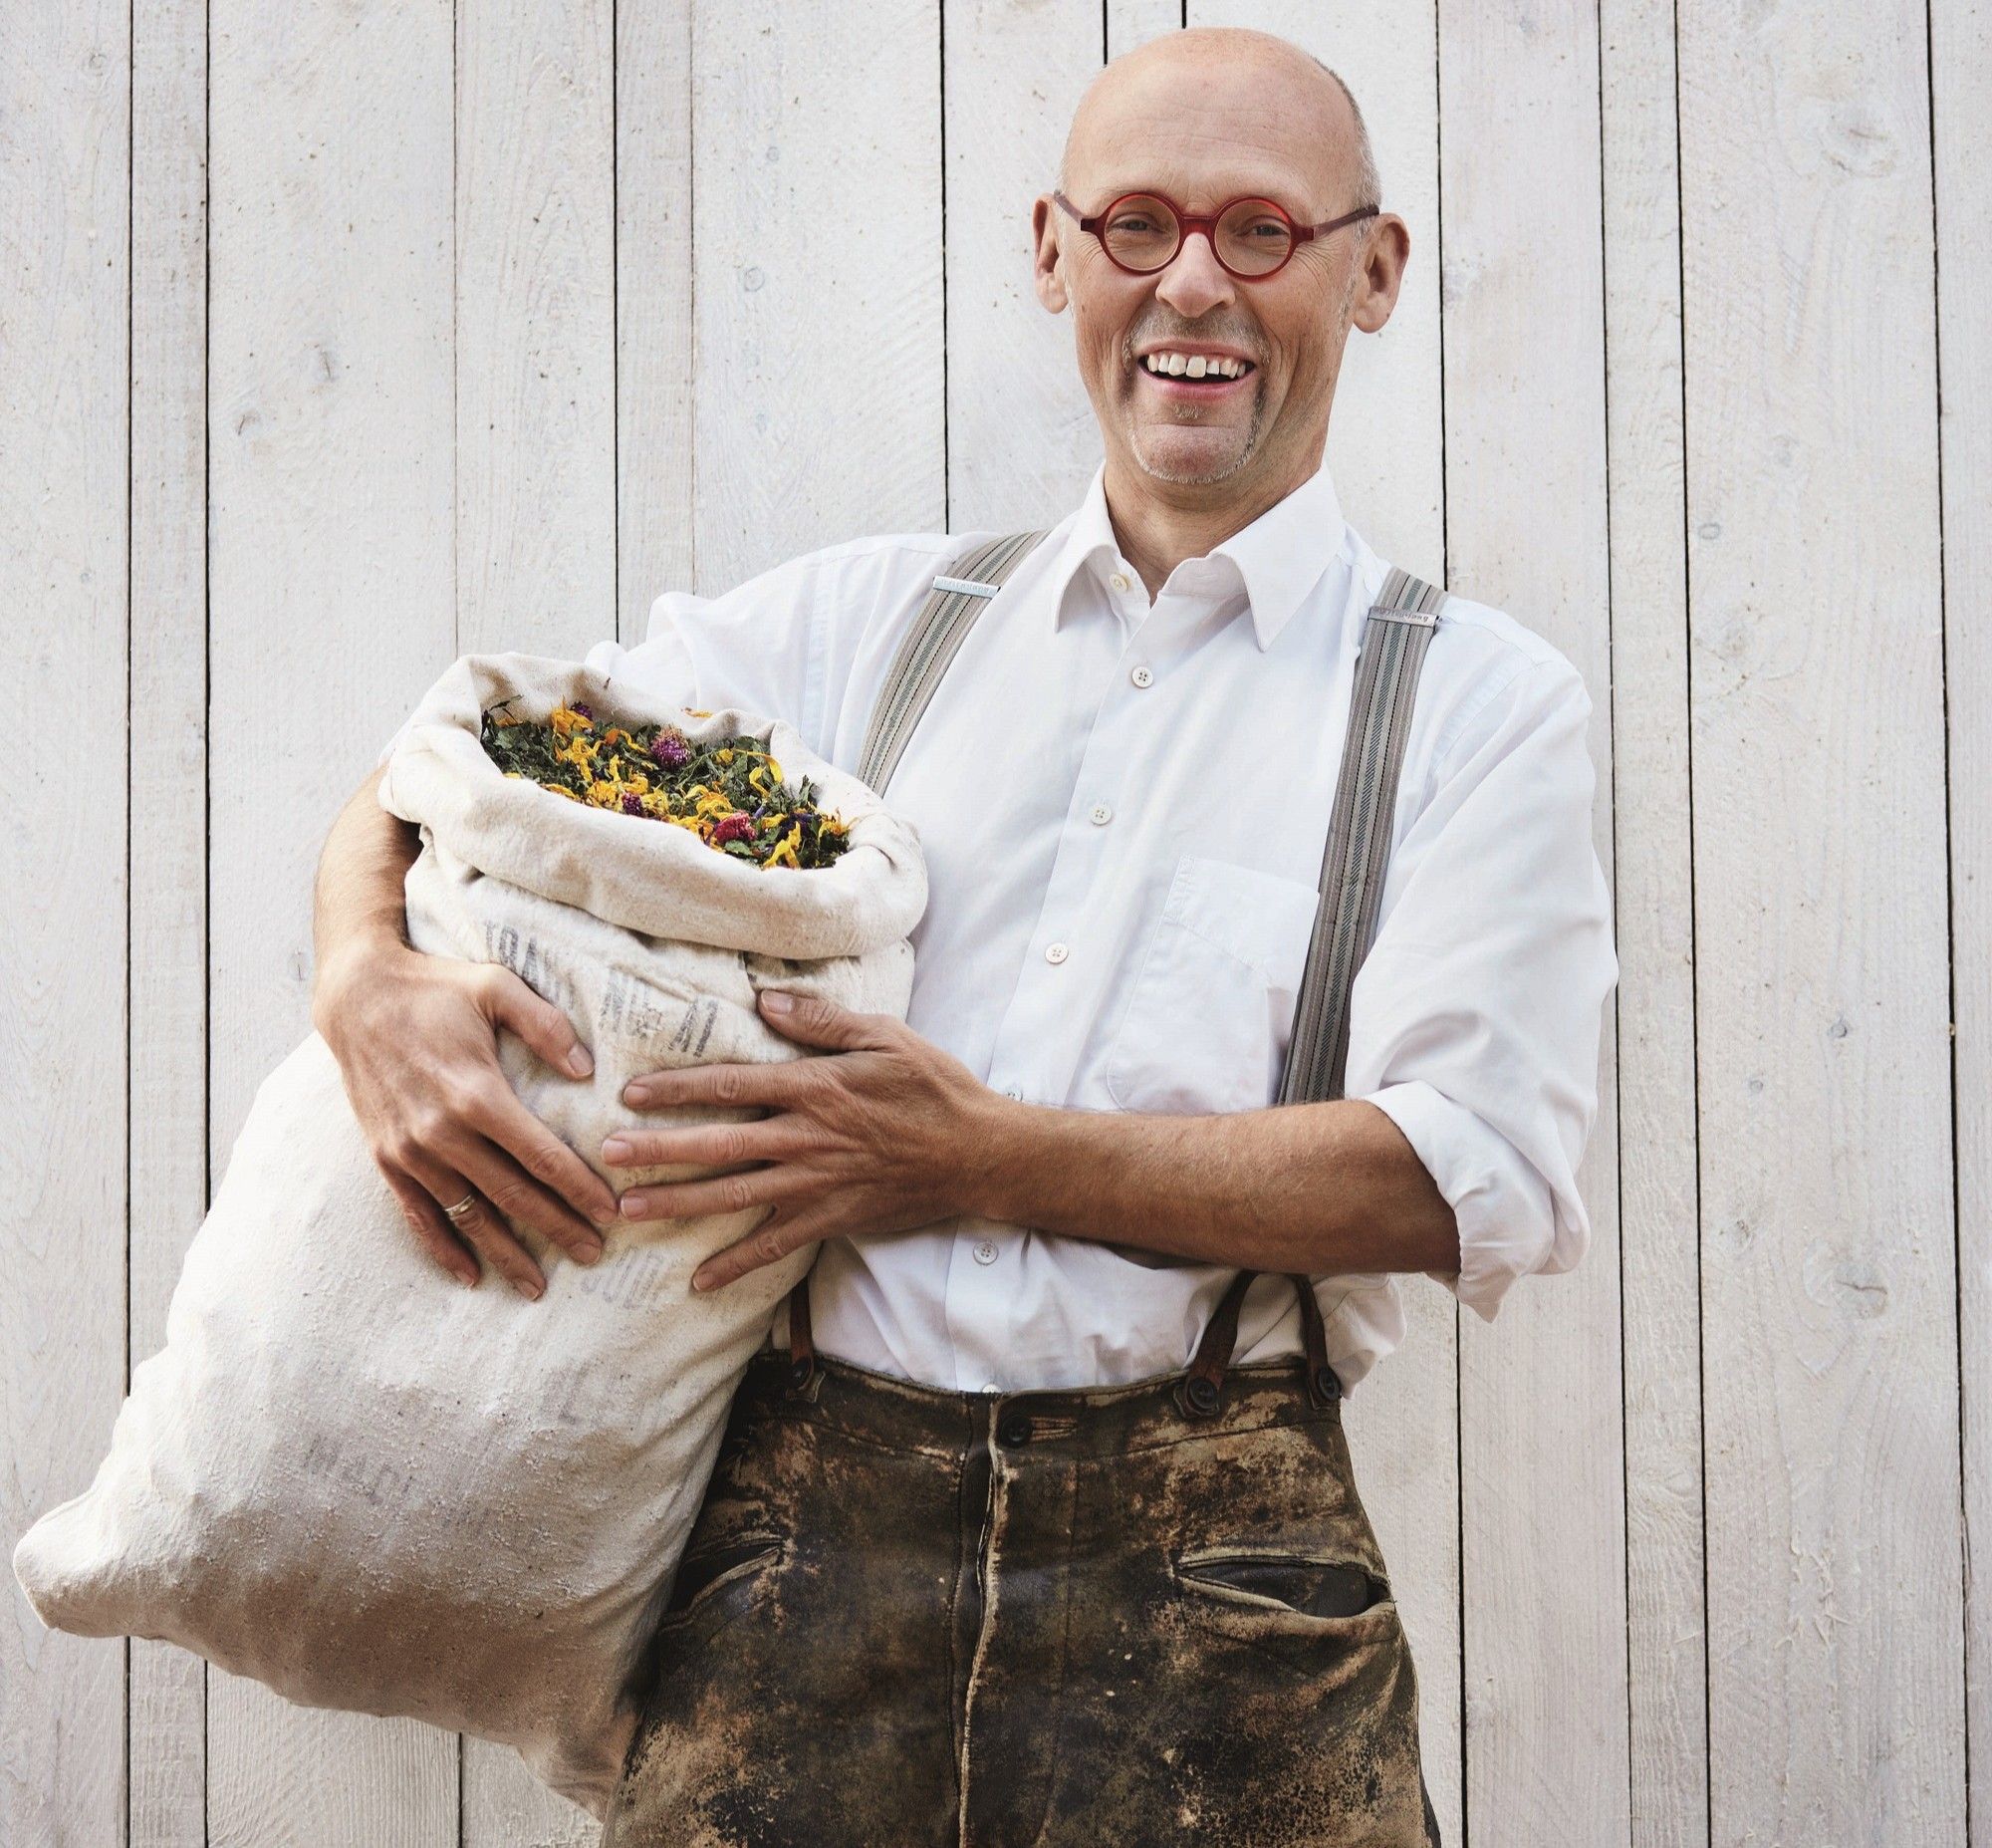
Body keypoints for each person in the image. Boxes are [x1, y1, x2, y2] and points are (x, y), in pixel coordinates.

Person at [312, 25, 1616, 1847]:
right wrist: (363, 973)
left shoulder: (1473, 705)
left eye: (1260, 231)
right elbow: (459, 758)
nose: (1193, 286)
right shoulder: (866, 626)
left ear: (1372, 270)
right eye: (1139, 223)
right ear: (1055, 252)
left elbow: (1470, 1177)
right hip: (798, 1563)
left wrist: (979, 1155)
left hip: (1230, 1587)